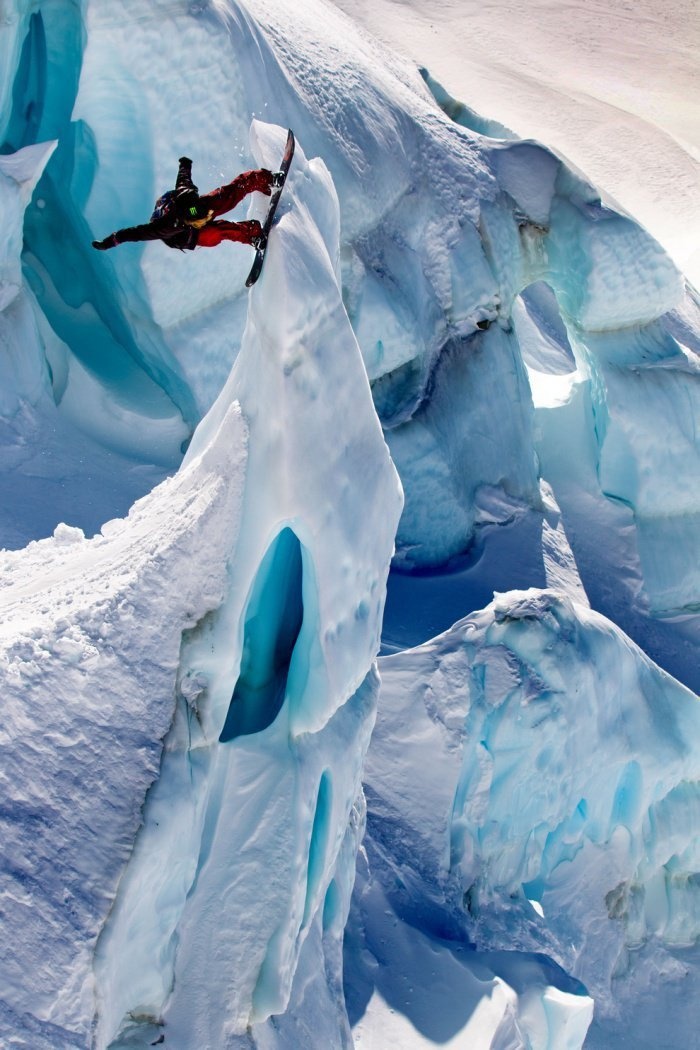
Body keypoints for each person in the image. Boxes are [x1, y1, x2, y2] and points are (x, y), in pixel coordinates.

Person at [91, 156, 281, 252]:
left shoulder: (191, 198)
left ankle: (266, 180)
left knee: (231, 193)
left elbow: (183, 178)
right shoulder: (164, 227)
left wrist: (185, 163)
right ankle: (252, 235)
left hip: (198, 207)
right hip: (189, 235)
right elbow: (134, 233)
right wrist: (110, 241)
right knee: (217, 232)